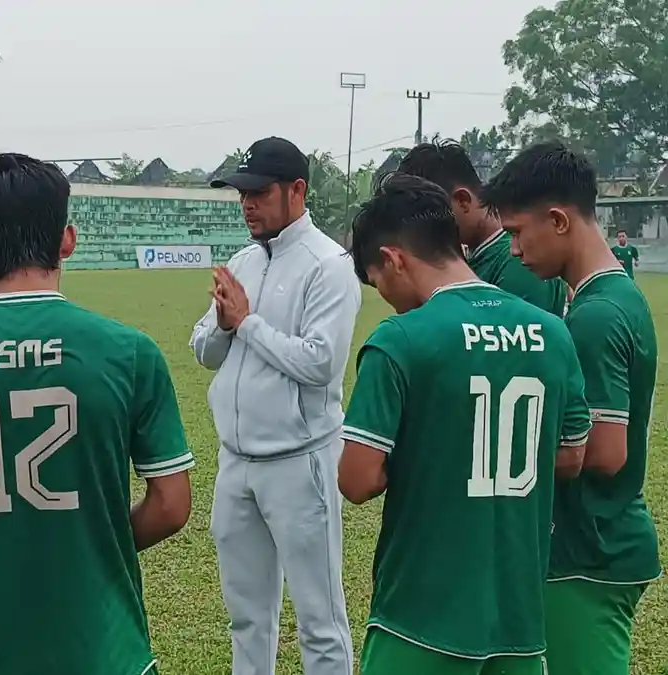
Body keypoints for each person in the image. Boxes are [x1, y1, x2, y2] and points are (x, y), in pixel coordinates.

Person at [0, 153, 194, 675]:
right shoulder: (130, 351)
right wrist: (93, 545)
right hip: (109, 655)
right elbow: (171, 505)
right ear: (67, 240)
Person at [339, 172, 593, 675]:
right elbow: (572, 455)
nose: (385, 297)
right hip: (519, 621)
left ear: (392, 259)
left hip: (419, 615)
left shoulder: (400, 340)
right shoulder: (553, 332)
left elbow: (357, 479)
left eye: (379, 282)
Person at [482, 141, 661, 675]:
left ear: (558, 220)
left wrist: (498, 457)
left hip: (590, 552)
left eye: (517, 232)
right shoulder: (604, 297)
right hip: (598, 544)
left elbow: (604, 453)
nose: (512, 250)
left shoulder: (596, 315)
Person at [192, 136, 358, 675]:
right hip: (236, 462)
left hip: (300, 461)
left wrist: (247, 323)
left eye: (259, 193)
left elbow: (320, 362)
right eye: (242, 193)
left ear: (297, 190)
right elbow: (204, 351)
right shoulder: (243, 260)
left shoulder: (328, 265)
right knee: (247, 618)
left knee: (320, 618)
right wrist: (223, 324)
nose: (247, 204)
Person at [397, 140, 568, 315]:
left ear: (463, 201)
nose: (424, 230)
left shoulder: (521, 260)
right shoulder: (470, 258)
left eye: (429, 214)